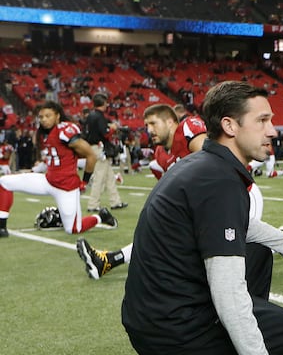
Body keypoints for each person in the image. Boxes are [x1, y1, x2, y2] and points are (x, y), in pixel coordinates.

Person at [121, 81, 283, 355]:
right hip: (175, 333)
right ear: (229, 126)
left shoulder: (204, 165)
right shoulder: (218, 179)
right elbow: (227, 291)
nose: (272, 131)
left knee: (258, 253)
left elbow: (240, 224)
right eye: (262, 121)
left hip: (153, 320)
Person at [75, 104, 208, 279]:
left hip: (226, 198)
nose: (149, 130)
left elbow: (210, 163)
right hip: (203, 208)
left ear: (170, 122)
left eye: (153, 123)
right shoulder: (159, 155)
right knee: (161, 227)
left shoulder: (188, 127)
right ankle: (107, 261)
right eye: (146, 125)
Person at [0, 101, 118, 239]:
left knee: (73, 229)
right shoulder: (48, 133)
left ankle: (100, 217)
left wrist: (84, 181)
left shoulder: (64, 131)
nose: (44, 119)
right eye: (41, 116)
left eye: (48, 116)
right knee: (4, 182)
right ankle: (1, 227)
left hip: (65, 187)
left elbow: (91, 155)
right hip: (47, 180)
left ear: (57, 116)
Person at [84, 93, 127, 211]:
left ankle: (115, 201)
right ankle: (93, 204)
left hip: (93, 147)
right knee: (99, 177)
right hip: (99, 148)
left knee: (109, 177)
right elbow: (105, 133)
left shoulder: (90, 116)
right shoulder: (99, 116)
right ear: (103, 104)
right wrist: (112, 128)